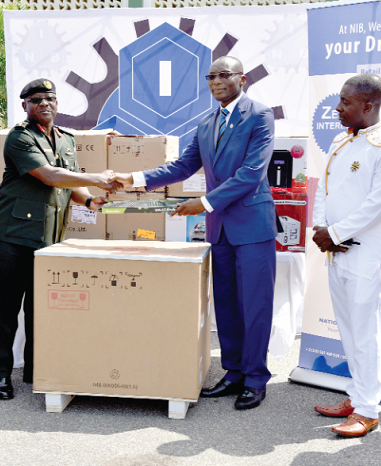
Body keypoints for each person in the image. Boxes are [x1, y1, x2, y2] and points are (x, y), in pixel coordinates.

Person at [114, 56, 277, 410]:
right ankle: (233, 373)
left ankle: (255, 378)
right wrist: (134, 179)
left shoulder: (261, 115)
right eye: (211, 76)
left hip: (251, 227)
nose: (216, 81)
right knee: (228, 306)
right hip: (220, 231)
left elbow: (251, 173)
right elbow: (183, 166)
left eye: (223, 75)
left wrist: (203, 203)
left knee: (255, 306)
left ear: (242, 79)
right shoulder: (205, 123)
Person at [0, 79, 119, 400]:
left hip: (47, 240)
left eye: (50, 98)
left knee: (39, 309)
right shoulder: (20, 138)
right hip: (11, 238)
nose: (44, 103)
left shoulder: (67, 141)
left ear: (57, 104)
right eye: (36, 99)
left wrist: (89, 200)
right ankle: (1, 375)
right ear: (25, 106)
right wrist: (98, 178)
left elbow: (69, 184)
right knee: (5, 311)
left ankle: (34, 369)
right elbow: (50, 176)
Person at [311, 74, 381, 437]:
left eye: (346, 102)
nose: (338, 108)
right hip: (336, 251)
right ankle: (356, 395)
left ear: (368, 105)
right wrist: (321, 228)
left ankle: (368, 411)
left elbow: (377, 206)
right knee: (349, 329)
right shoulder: (340, 140)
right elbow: (325, 189)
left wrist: (333, 233)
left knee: (366, 332)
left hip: (367, 253)